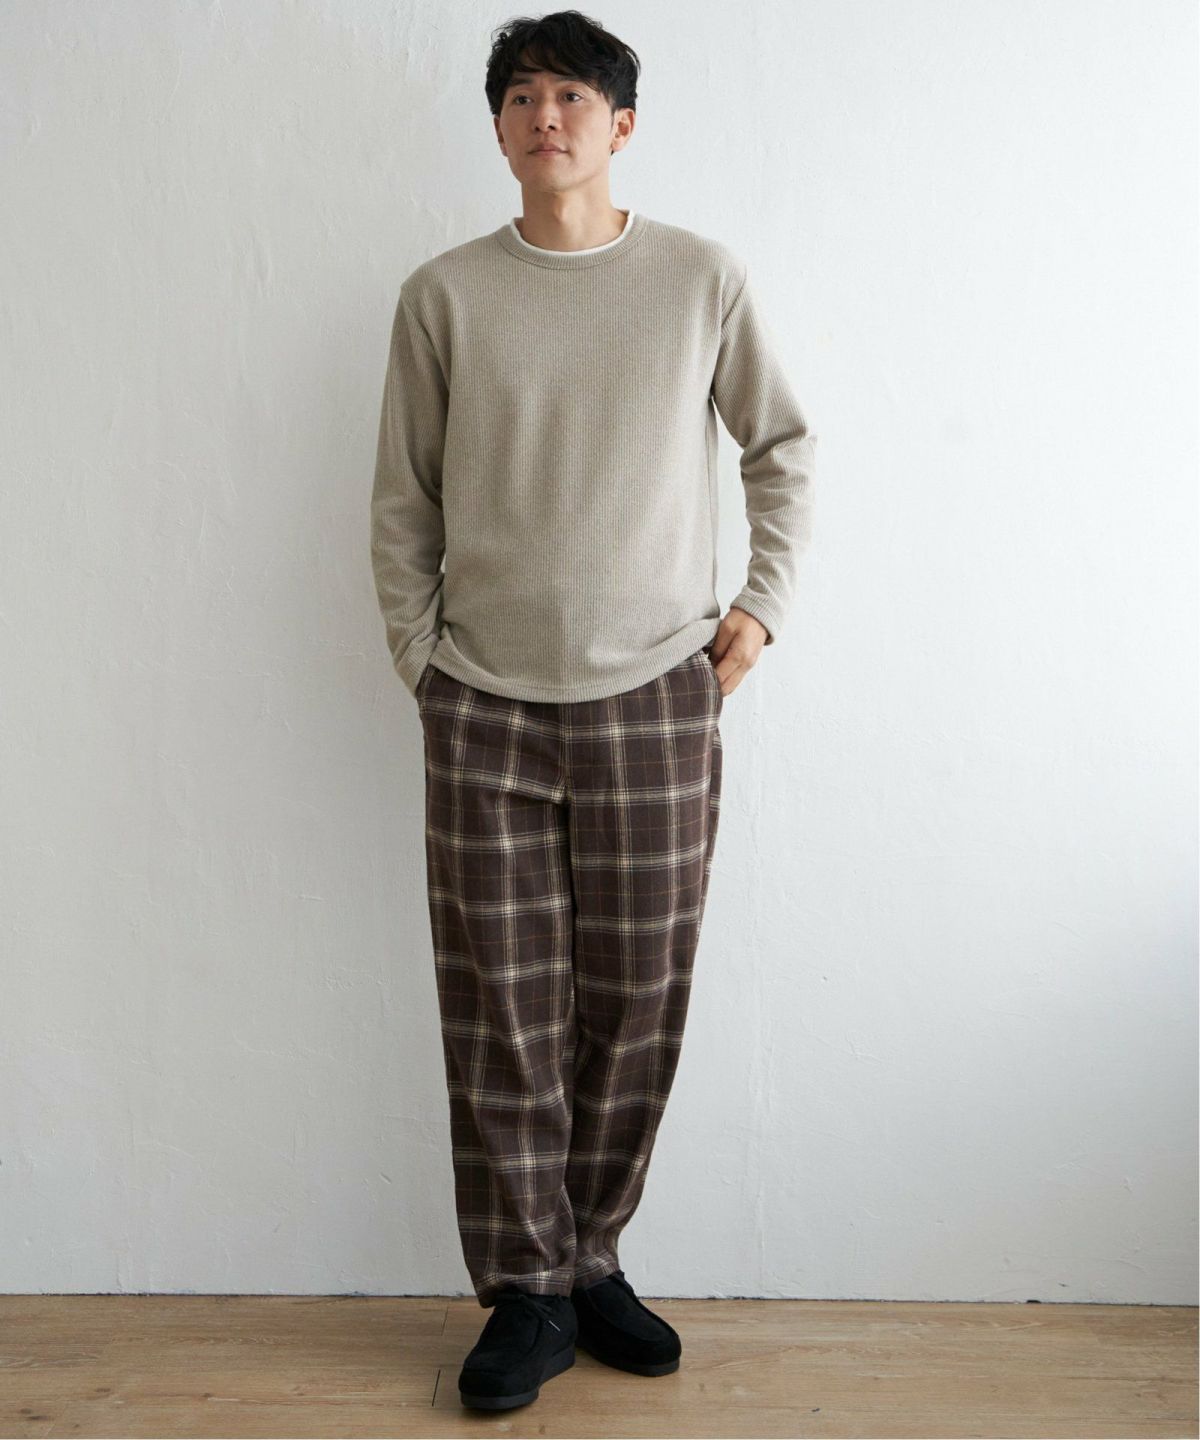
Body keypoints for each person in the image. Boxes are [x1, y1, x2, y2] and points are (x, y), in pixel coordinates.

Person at [369, 8, 817, 1412]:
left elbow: (785, 448)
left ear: (622, 124)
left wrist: (760, 607)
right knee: (499, 1007)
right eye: (520, 97)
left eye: (571, 95)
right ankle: (526, 1290)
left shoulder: (699, 279)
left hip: (656, 697)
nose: (544, 117)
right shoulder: (443, 295)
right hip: (483, 703)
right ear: (498, 127)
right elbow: (403, 497)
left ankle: (592, 1256)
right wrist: (423, 658)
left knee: (635, 999)